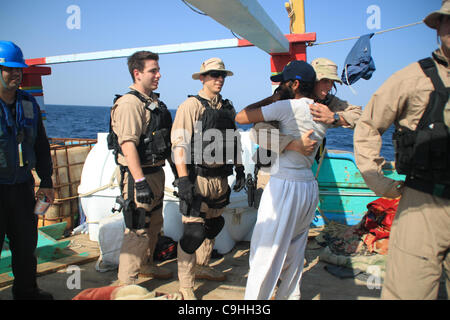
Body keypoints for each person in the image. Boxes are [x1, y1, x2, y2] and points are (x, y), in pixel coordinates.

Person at [353, 0, 450, 300]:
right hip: (424, 204)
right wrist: (380, 182)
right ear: (438, 28)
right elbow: (368, 124)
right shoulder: (414, 78)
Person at [235, 60, 326, 300]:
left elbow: (242, 116)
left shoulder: (286, 107)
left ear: (295, 84)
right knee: (295, 254)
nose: (279, 87)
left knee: (264, 253)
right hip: (308, 186)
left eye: (284, 83)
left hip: (285, 186)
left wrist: (273, 99)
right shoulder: (321, 110)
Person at [171, 57, 245, 300]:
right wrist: (183, 181)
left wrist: (240, 168)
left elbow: (234, 141)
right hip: (197, 177)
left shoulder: (226, 107)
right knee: (193, 234)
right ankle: (186, 286)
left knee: (213, 227)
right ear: (202, 78)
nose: (219, 79)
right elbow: (179, 145)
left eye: (222, 75)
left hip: (220, 179)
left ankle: (202, 266)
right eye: (214, 75)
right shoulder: (190, 106)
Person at [248, 57, 362, 208]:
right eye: (326, 81)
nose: (330, 87)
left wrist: (334, 118)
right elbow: (258, 129)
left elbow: (361, 117)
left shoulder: (329, 102)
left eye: (332, 82)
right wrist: (292, 144)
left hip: (306, 168)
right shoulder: (286, 99)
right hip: (281, 169)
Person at [109, 51, 173, 285]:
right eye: (153, 71)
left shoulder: (153, 103)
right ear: (137, 74)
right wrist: (139, 181)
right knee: (137, 229)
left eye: (158, 69)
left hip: (156, 172)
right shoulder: (129, 104)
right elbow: (128, 145)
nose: (159, 74)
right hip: (138, 176)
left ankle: (146, 265)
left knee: (155, 224)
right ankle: (126, 284)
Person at [0, 41, 54, 300]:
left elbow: (41, 144)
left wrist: (46, 180)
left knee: (25, 245)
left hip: (22, 188)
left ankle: (26, 292)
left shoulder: (29, 103)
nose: (16, 74)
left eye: (18, 69)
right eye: (9, 69)